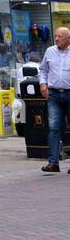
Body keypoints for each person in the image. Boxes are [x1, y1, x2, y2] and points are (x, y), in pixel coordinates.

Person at [38, 26, 70, 173]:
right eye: (56, 36)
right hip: (54, 95)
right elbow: (43, 70)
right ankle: (53, 162)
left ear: (68, 39)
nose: (56, 38)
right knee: (53, 127)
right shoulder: (50, 51)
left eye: (60, 36)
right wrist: (43, 84)